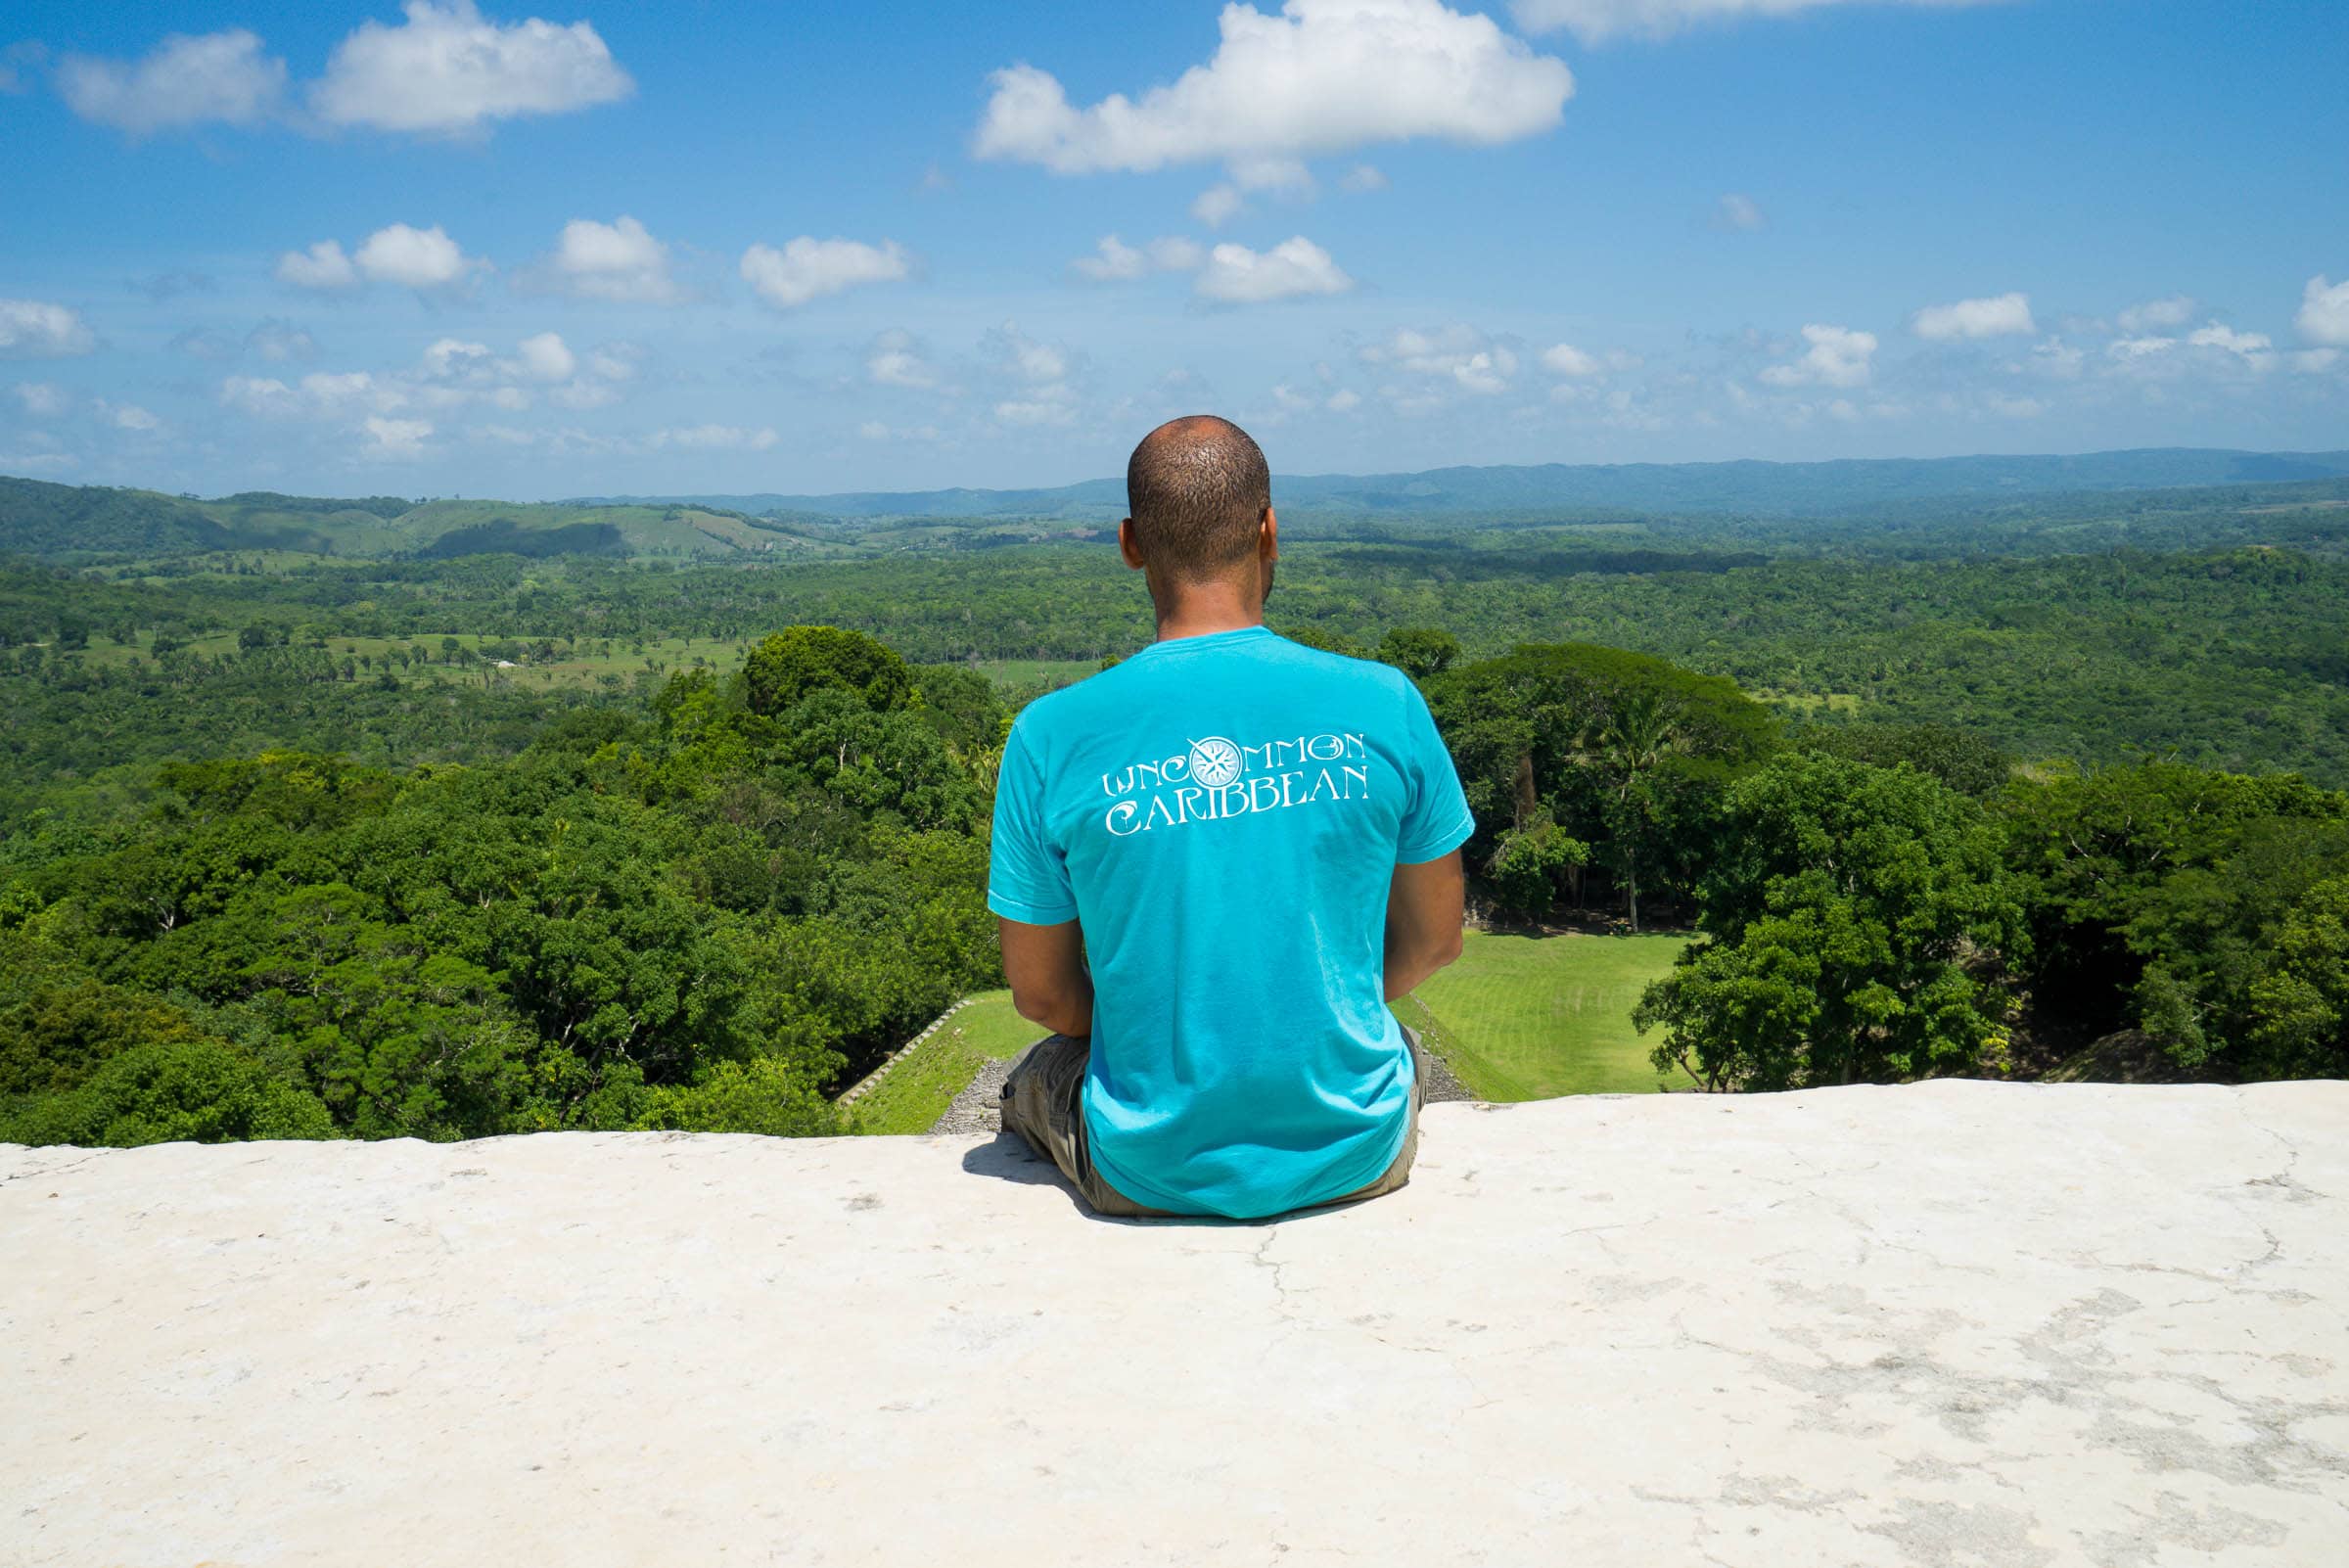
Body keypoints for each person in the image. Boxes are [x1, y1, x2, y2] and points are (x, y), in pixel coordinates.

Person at [989, 415, 1474, 1221]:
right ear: (1270, 530)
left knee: (1036, 1070)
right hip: (1357, 1152)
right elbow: (1436, 942)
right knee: (1397, 1047)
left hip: (1144, 1168)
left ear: (1131, 544)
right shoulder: (1384, 700)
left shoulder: (1051, 734)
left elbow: (1041, 994)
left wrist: (1163, 1027)